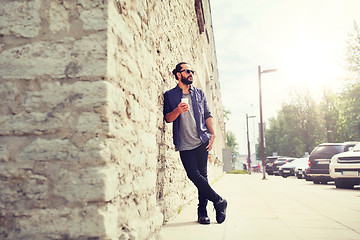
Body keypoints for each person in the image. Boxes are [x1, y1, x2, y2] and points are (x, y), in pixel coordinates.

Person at [163, 62, 227, 224]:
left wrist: (213, 134)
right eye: (187, 71)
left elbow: (207, 114)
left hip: (201, 141)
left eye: (192, 71)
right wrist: (177, 110)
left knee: (203, 176)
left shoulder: (199, 93)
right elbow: (168, 118)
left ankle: (203, 211)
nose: (191, 73)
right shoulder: (170, 95)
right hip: (184, 142)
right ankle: (219, 201)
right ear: (179, 74)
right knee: (193, 174)